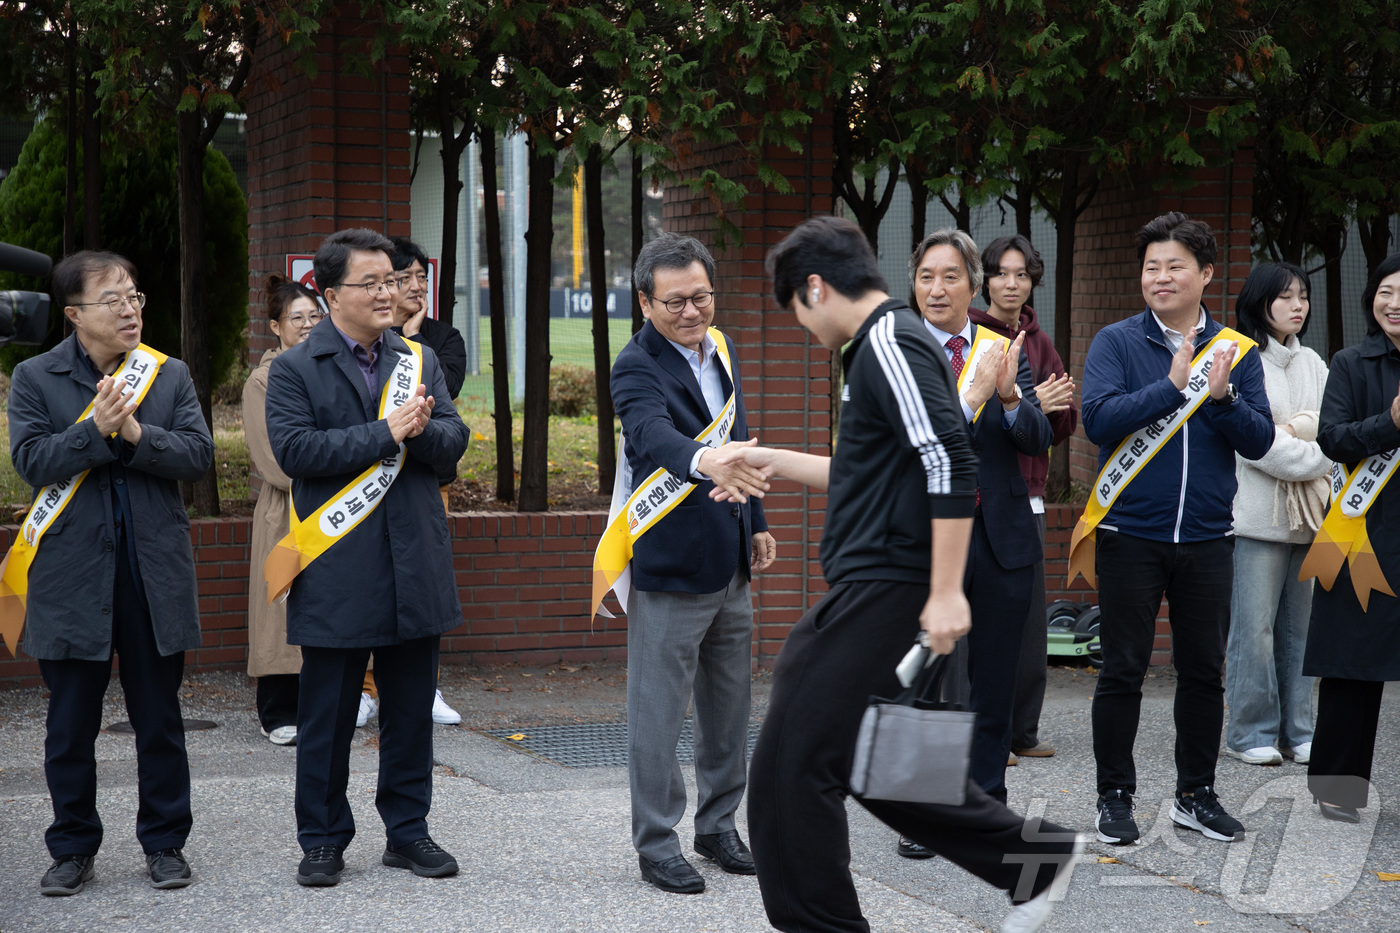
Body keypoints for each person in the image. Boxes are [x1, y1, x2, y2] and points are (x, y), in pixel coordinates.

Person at [730, 216, 1081, 933]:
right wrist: (765, 461)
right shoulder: (882, 348)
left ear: (817, 286)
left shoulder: (887, 340)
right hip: (879, 583)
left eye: (796, 308)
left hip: (884, 587)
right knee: (877, 764)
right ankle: (1033, 860)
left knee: (787, 771)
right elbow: (869, 471)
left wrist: (949, 591)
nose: (801, 324)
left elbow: (949, 456)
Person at [264, 228, 470, 887]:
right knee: (325, 714)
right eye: (373, 282)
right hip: (337, 562)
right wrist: (388, 431)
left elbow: (454, 440)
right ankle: (322, 838)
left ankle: (409, 831)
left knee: (409, 709)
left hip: (415, 558)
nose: (391, 292)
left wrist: (422, 431)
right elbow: (298, 453)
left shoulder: (419, 359)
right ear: (330, 295)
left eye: (395, 279)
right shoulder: (297, 368)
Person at [6, 250, 213, 894]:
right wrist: (94, 430)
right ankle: (71, 846)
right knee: (70, 724)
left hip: (152, 575)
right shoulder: (36, 377)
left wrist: (134, 437)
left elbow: (198, 455)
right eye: (113, 300)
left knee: (159, 720)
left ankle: (165, 843)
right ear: (73, 315)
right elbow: (32, 461)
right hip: (70, 577)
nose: (130, 310)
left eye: (135, 297)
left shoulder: (169, 374)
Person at [1075, 212, 1274, 846]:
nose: (1160, 278)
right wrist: (1170, 388)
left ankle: (1197, 794)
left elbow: (1262, 438)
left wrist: (1222, 400)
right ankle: (1114, 796)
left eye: (1175, 266)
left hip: (1210, 538)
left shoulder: (1236, 352)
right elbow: (1100, 421)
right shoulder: (1117, 341)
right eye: (1152, 267)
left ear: (1206, 274)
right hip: (1131, 533)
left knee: (1202, 671)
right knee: (1123, 669)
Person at [608, 232, 775, 894]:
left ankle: (717, 824)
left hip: (730, 557)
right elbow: (652, 434)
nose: (692, 311)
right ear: (645, 301)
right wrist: (703, 460)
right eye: (675, 300)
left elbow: (739, 436)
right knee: (657, 713)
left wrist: (755, 523)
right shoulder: (635, 364)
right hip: (672, 564)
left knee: (729, 706)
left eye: (701, 296)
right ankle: (656, 841)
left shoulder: (721, 348)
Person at [904, 229, 1053, 820]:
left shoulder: (1001, 344)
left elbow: (1038, 440)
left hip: (1002, 536)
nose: (937, 290)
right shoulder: (896, 351)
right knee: (930, 677)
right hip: (927, 538)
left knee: (994, 678)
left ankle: (987, 798)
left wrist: (1014, 399)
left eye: (949, 277)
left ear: (974, 284)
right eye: (925, 278)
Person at [351, 236, 467, 729]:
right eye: (404, 278)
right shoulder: (342, 353)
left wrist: (413, 344)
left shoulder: (440, 341)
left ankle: (424, 685)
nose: (415, 286)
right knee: (366, 587)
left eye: (422, 277)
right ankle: (365, 688)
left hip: (422, 484)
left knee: (418, 591)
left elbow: (446, 405)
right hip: (357, 492)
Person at [970, 235, 1078, 762]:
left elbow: (1063, 424)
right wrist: (1030, 399)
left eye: (1022, 275)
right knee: (983, 623)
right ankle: (986, 730)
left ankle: (1022, 731)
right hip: (980, 496)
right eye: (1001, 274)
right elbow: (971, 417)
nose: (1011, 284)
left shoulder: (1039, 341)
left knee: (1028, 624)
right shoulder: (969, 336)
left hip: (1028, 493)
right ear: (985, 280)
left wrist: (1042, 408)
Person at [1301, 252, 1400, 823]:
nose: (1393, 304)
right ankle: (1338, 788)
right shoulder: (1351, 362)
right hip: (1362, 532)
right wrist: (1391, 421)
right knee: (1351, 667)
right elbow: (1333, 438)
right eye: (1385, 292)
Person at [1224, 263, 1329, 767]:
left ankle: (1299, 730)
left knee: (1301, 632)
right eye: (1285, 296)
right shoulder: (1242, 357)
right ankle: (1250, 732)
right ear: (1260, 301)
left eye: (1303, 296)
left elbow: (1334, 432)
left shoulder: (1314, 362)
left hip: (1310, 519)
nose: (1297, 305)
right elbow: (1251, 445)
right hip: (1256, 519)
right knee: (1255, 630)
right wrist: (1302, 444)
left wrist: (1296, 430)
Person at [245, 274, 323, 746]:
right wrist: (336, 470)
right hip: (288, 509)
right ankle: (276, 710)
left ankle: (321, 705)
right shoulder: (264, 380)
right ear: (276, 326)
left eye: (316, 316)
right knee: (280, 610)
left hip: (331, 511)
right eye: (298, 318)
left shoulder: (331, 369)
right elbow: (274, 460)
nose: (310, 325)